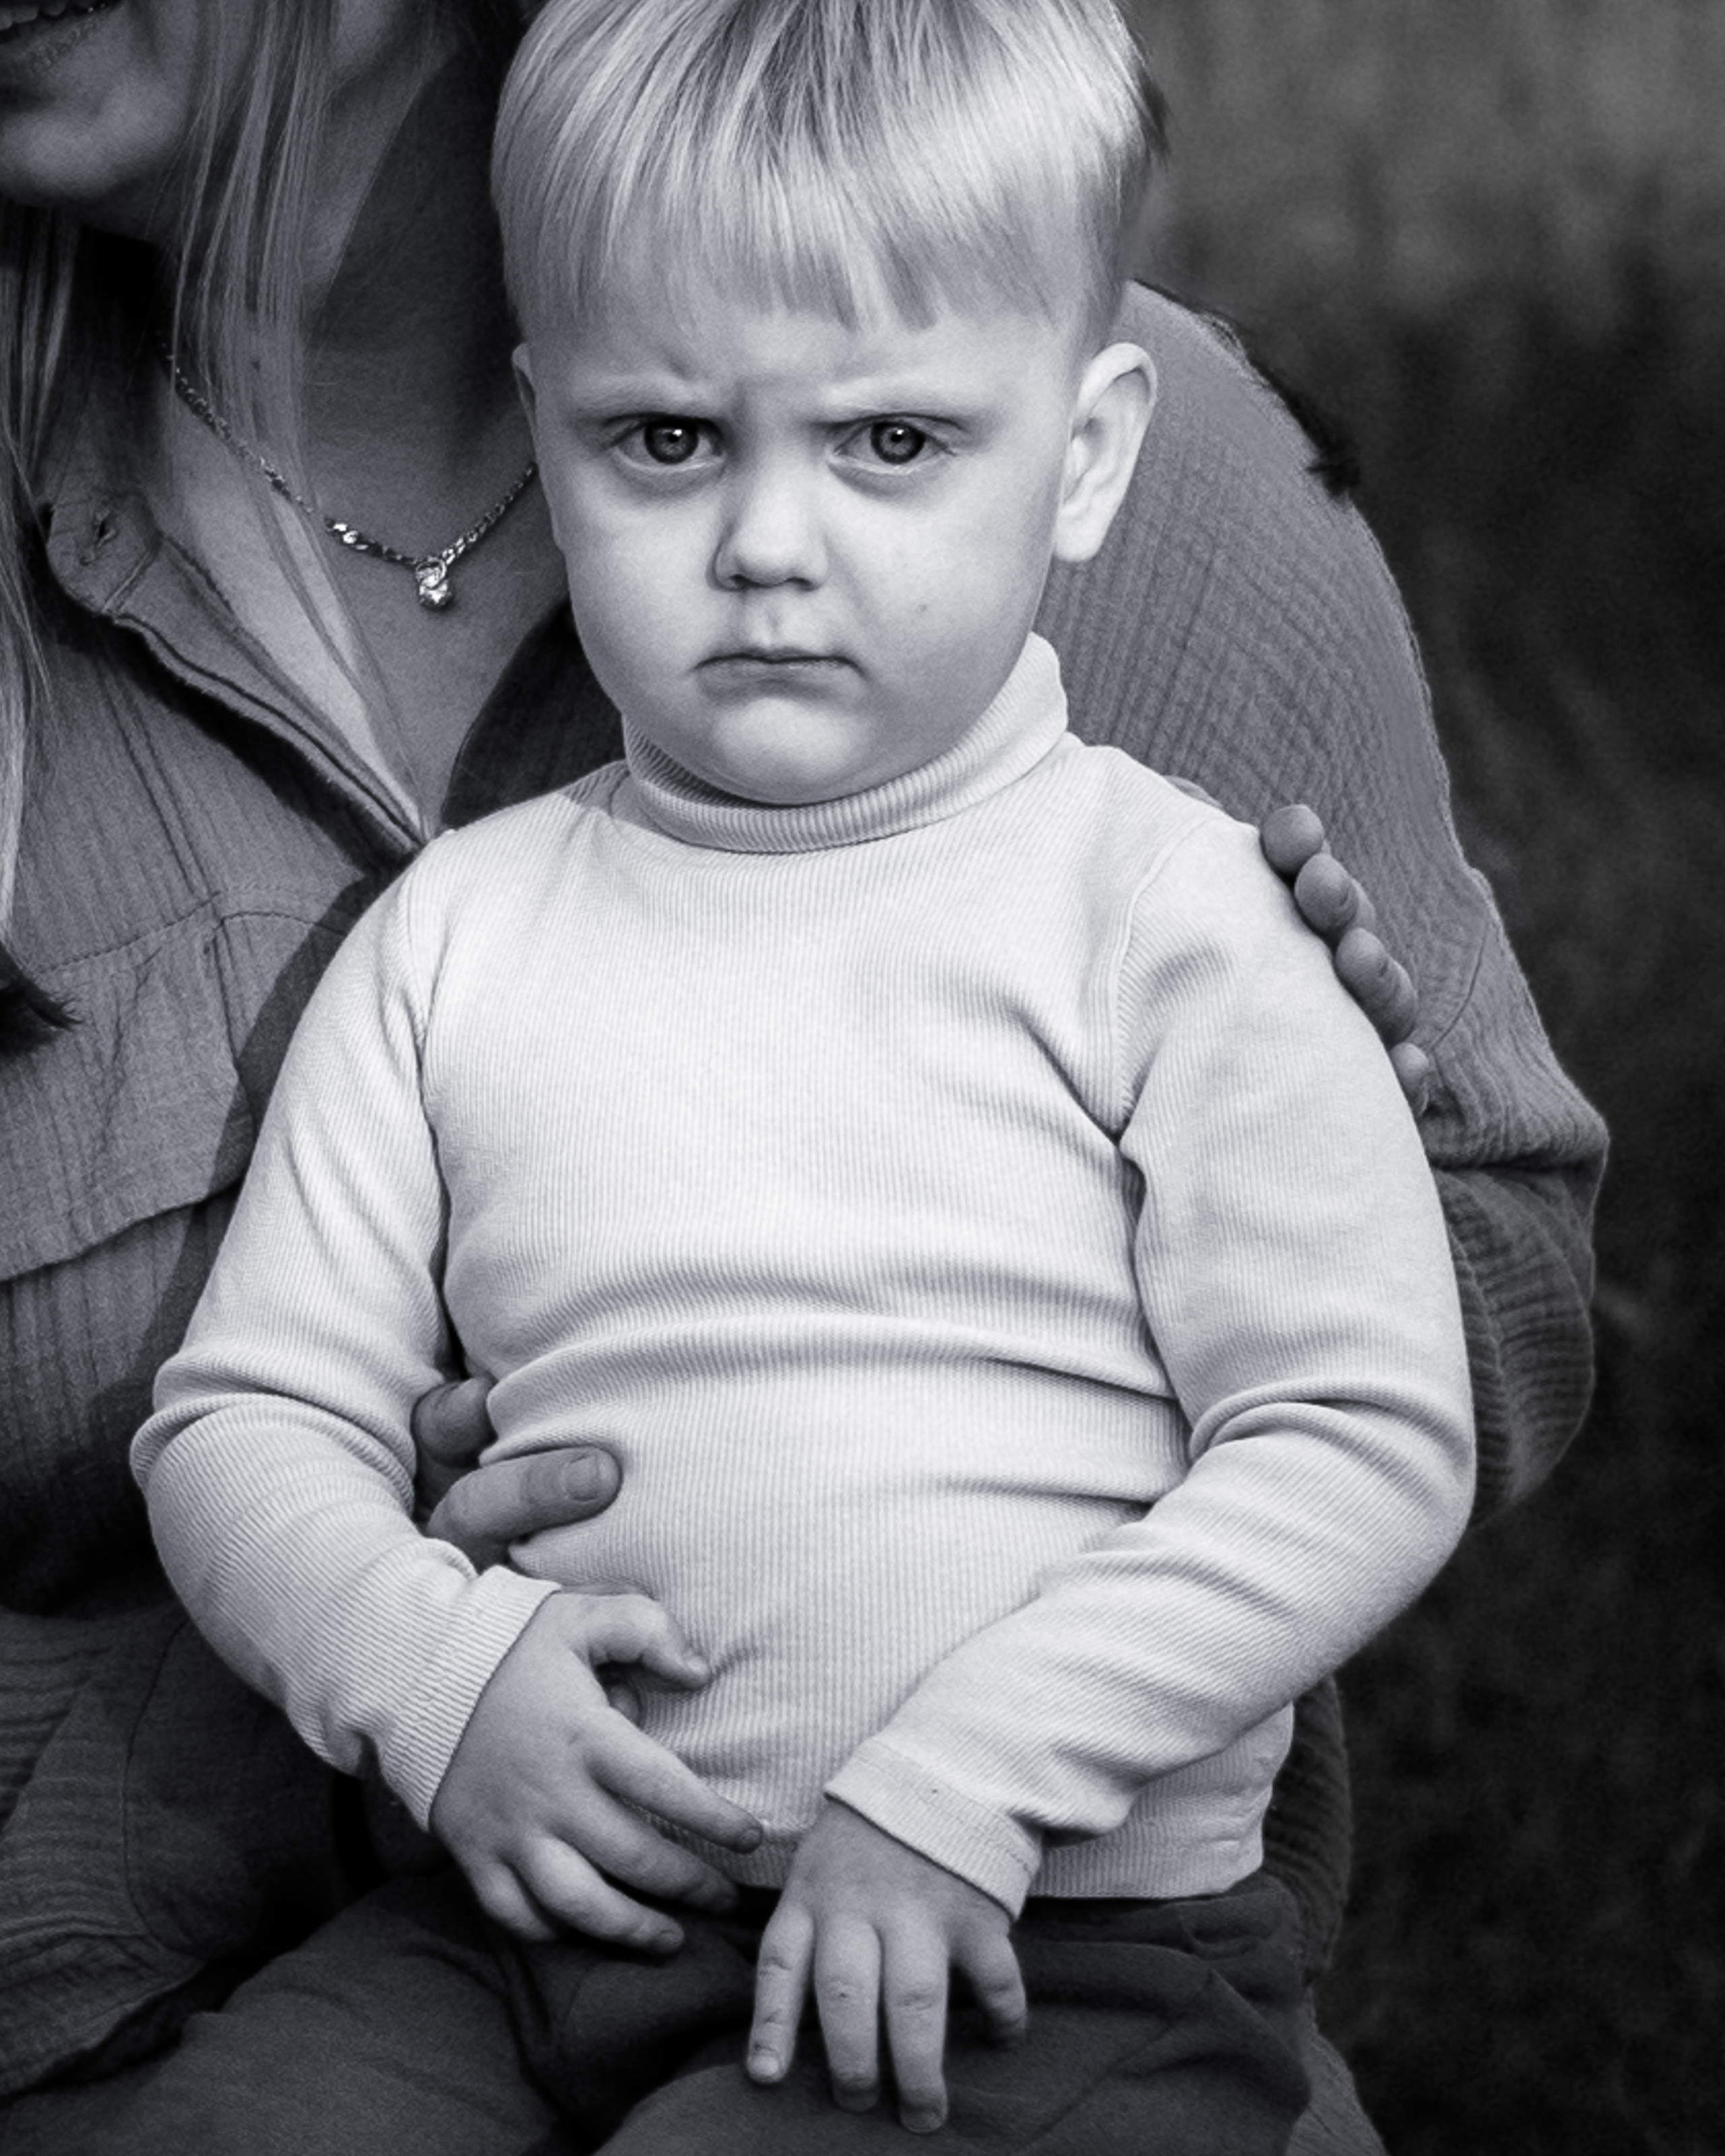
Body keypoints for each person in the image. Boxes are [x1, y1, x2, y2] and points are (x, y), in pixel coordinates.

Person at [0, 1, 1602, 2151]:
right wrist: (434, 1668)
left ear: (1096, 450)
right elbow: (250, 1413)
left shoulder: (1174, 909)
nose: (769, 540)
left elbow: (1363, 1422)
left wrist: (969, 1779)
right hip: (525, 1912)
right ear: (547, 424)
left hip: (1038, 1928)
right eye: (665, 443)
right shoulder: (469, 932)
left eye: (892, 447)